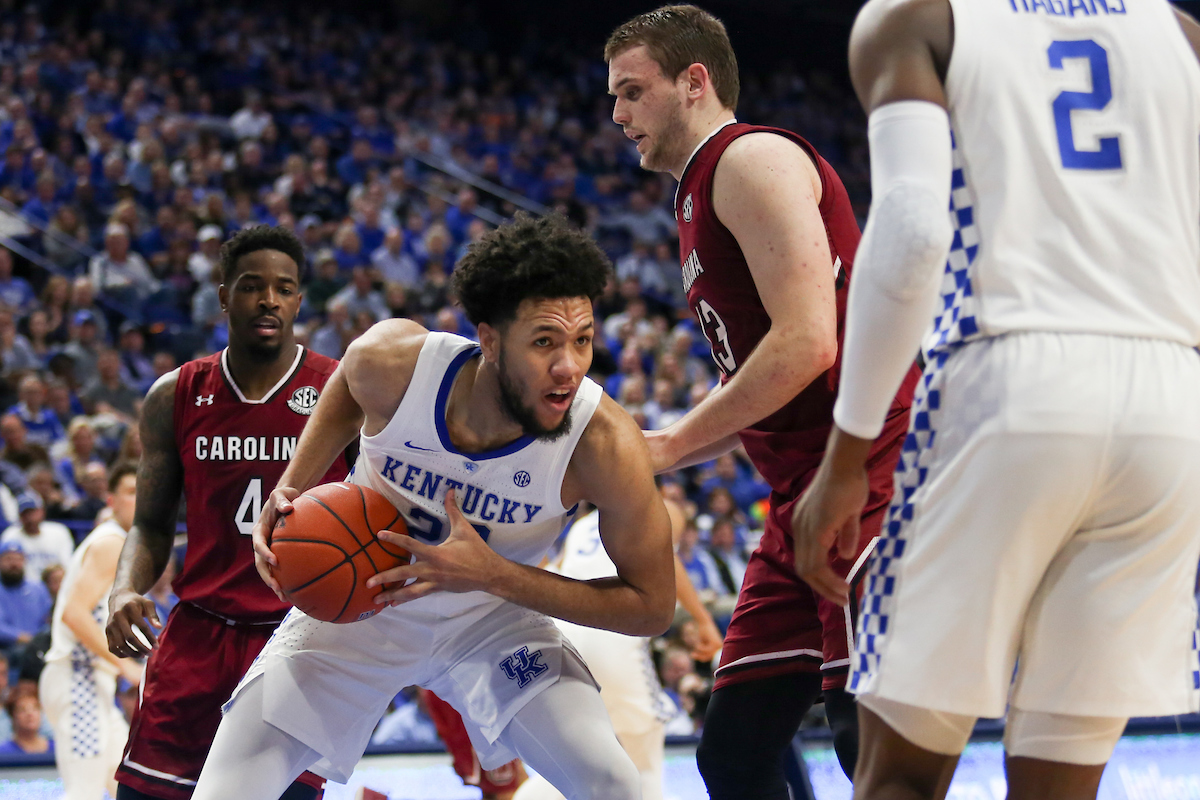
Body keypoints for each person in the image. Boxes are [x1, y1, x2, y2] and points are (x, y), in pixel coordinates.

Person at [791, 2, 1200, 799]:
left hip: (1009, 374)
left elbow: (911, 234)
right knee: (1060, 785)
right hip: (1172, 400)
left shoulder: (917, 18)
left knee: (901, 776)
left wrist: (846, 454)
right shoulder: (1182, 36)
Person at [184, 213, 675, 800]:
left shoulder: (602, 444)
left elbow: (651, 608)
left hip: (493, 624)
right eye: (544, 341)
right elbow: (344, 387)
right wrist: (292, 483)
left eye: (583, 339)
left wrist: (496, 575)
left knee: (614, 783)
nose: (568, 366)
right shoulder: (397, 365)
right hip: (358, 615)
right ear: (489, 340)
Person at [604, 6, 917, 795]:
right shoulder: (694, 194)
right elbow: (759, 376)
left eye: (633, 91)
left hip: (867, 466)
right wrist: (656, 444)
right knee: (736, 752)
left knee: (869, 741)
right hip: (797, 495)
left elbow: (810, 342)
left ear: (694, 82)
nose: (617, 115)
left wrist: (669, 445)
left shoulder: (749, 160)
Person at [103, 226, 348, 800]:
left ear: (298, 300)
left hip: (294, 640)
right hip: (199, 630)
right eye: (251, 286)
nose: (269, 299)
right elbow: (151, 522)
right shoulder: (177, 393)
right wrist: (122, 589)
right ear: (222, 296)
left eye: (284, 288)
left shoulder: (342, 391)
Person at [513, 494, 723, 800]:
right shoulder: (660, 504)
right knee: (644, 754)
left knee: (576, 764)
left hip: (562, 637)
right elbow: (666, 558)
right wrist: (703, 620)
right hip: (612, 636)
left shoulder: (582, 524)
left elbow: (555, 570)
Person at [40, 462, 143, 800]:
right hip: (77, 679)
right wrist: (125, 665)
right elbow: (74, 614)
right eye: (130, 492)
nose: (139, 499)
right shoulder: (111, 542)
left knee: (123, 783)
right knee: (82, 792)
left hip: (91, 684)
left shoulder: (114, 541)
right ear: (111, 500)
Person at [1, 493, 74, 583]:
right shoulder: (10, 535)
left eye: (32, 512)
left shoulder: (59, 531)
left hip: (55, 585)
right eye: (25, 514)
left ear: (42, 511)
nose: (29, 518)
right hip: (25, 587)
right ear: (19, 516)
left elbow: (66, 564)